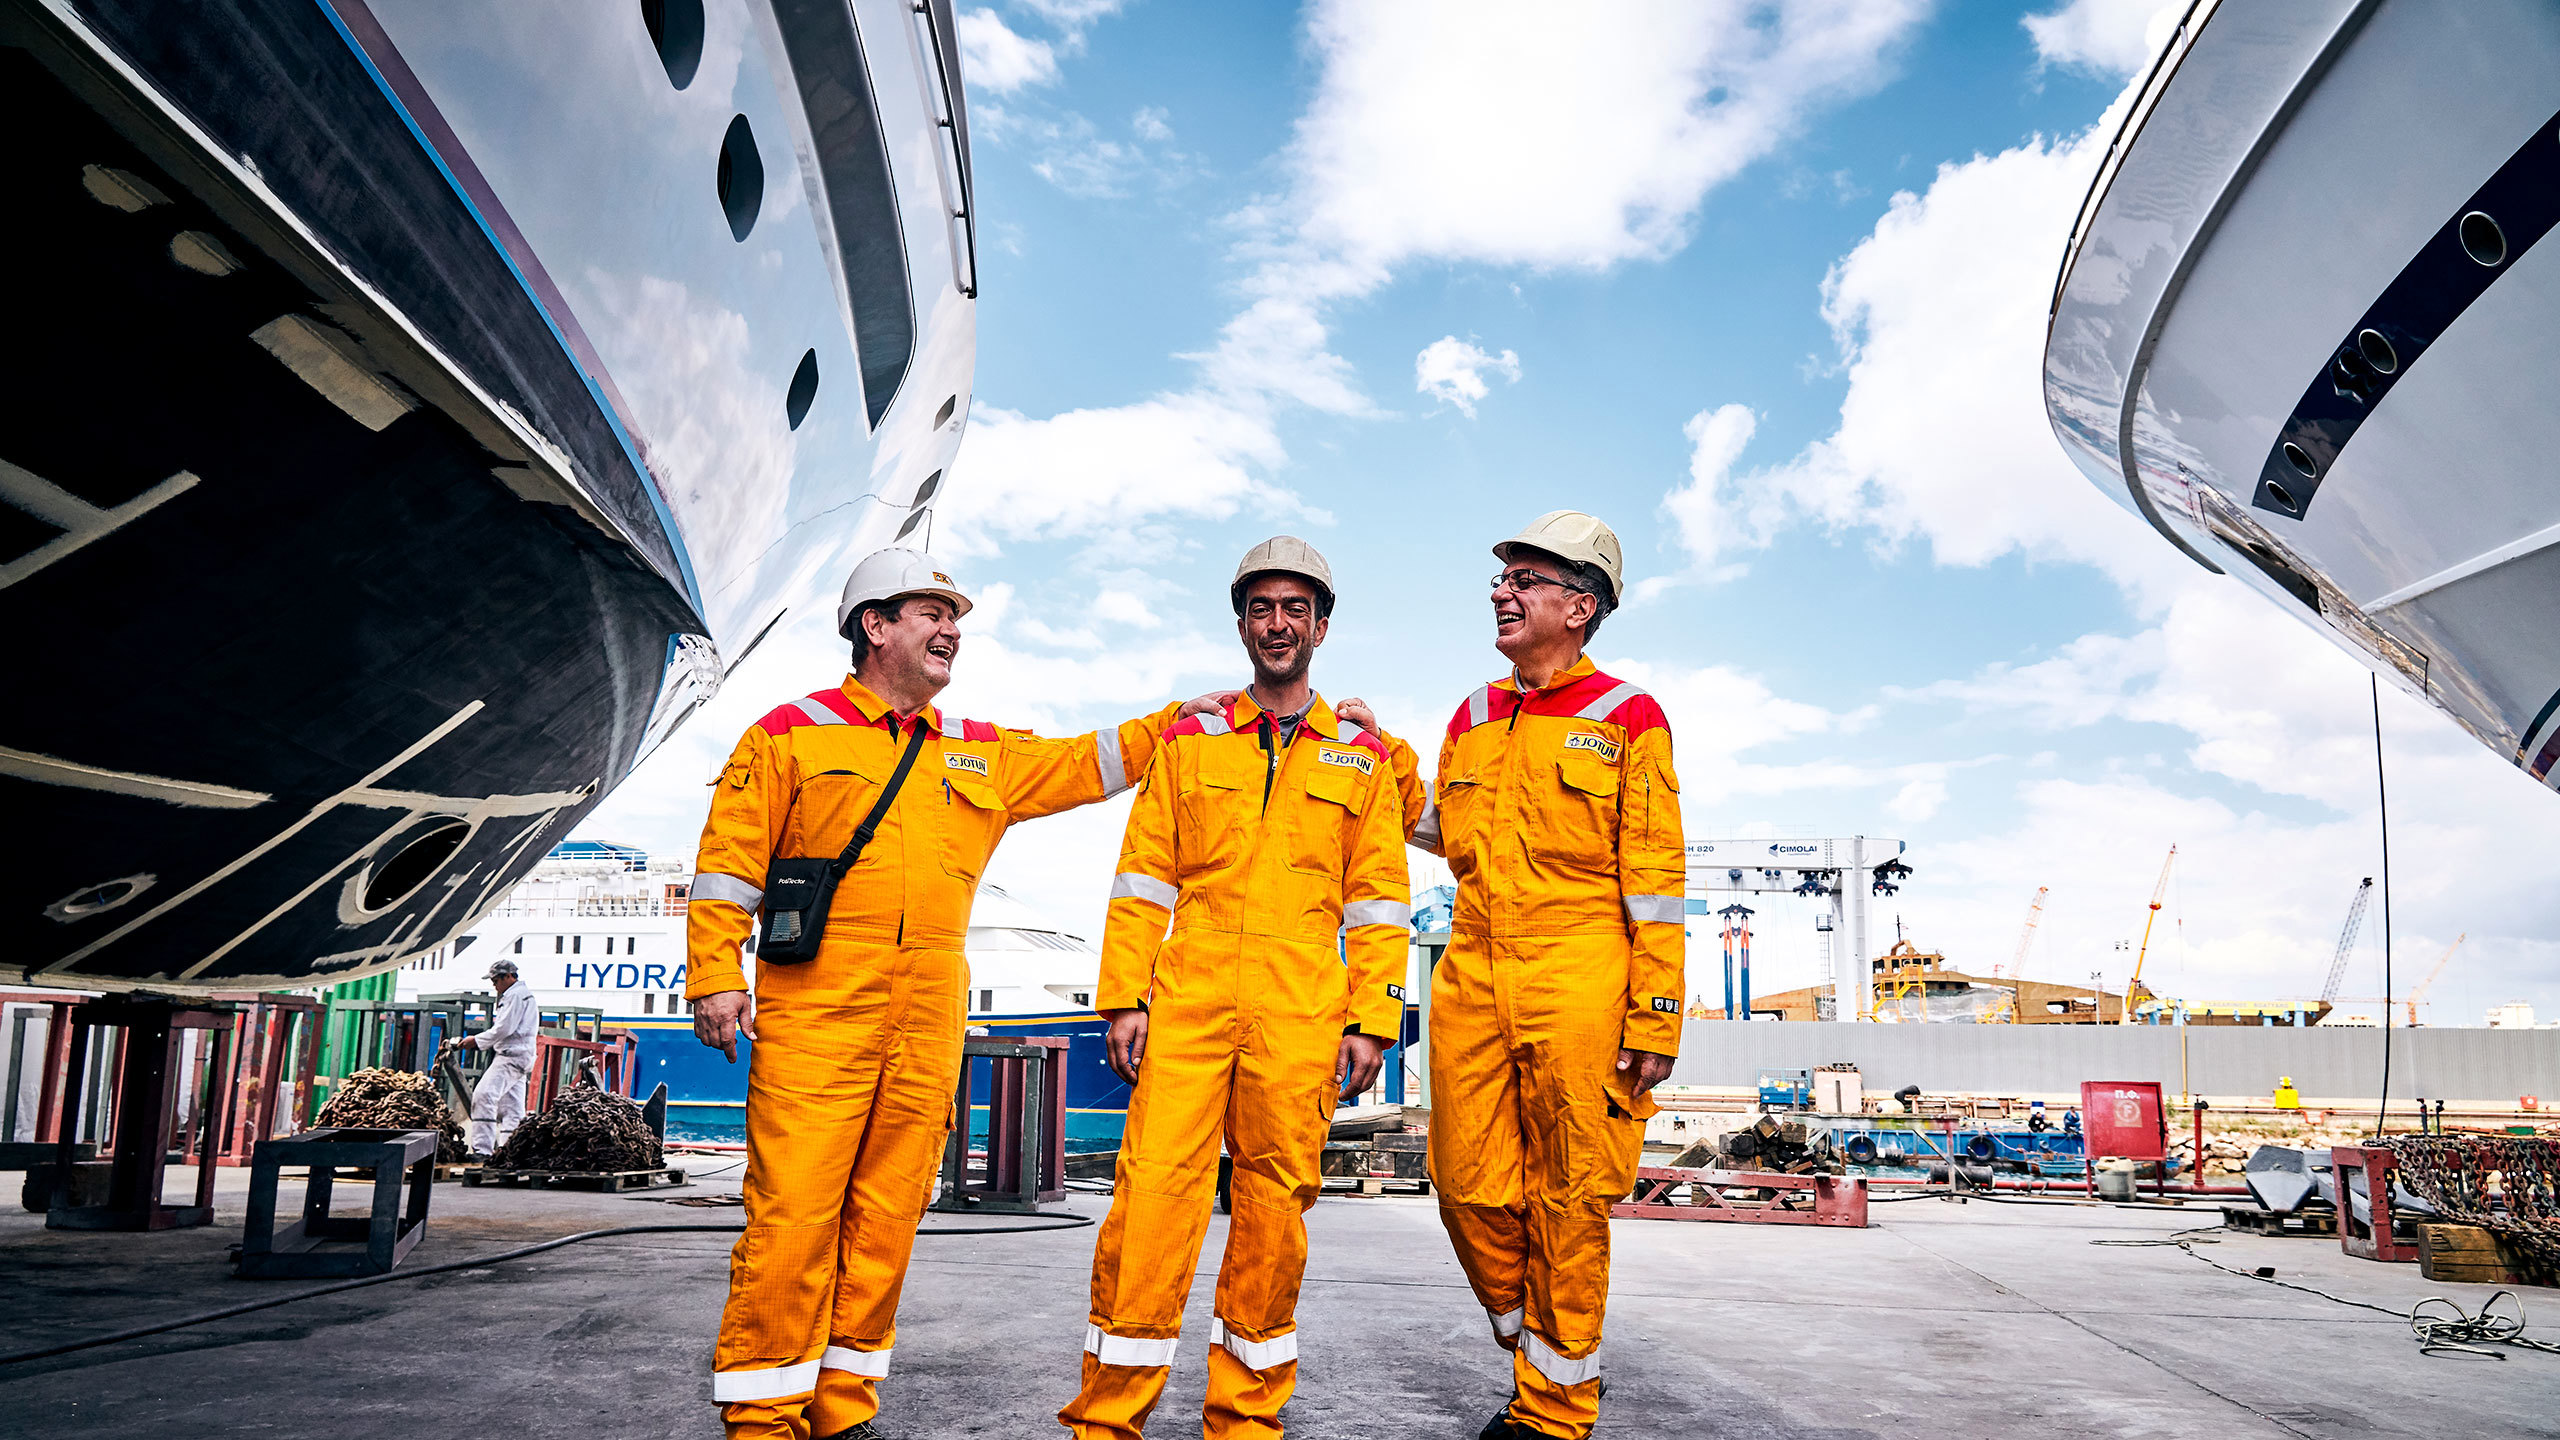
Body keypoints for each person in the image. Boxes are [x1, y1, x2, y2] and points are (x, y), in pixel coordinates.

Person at [684, 547, 1220, 1440]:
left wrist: (1173, 723)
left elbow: (1076, 764)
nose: (951, 629)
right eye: (932, 612)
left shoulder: (976, 751)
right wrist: (714, 975)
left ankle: (842, 1406)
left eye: (956, 617)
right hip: (819, 1005)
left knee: (891, 1212)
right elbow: (727, 868)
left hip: (930, 1005)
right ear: (874, 625)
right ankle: (764, 1414)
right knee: (794, 1213)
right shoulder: (786, 735)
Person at [1061, 537, 1409, 1440]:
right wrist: (1124, 997)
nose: (1279, 623)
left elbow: (1378, 904)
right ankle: (1107, 1421)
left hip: (1300, 1006)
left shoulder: (1362, 759)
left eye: (1296, 608)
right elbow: (1142, 880)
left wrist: (1372, 1018)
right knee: (1150, 1204)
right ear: (1242, 624)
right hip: (1190, 996)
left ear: (1322, 627)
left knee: (1273, 1210)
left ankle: (1246, 1420)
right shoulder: (1191, 742)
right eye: (1262, 608)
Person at [1365, 511, 1685, 1440]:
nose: (1501, 592)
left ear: (1579, 607)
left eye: (1526, 580)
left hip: (1581, 965)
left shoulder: (1629, 717)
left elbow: (1657, 879)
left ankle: (1554, 1411)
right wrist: (1384, 761)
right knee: (1465, 1186)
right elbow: (1441, 831)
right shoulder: (1470, 714)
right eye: (1503, 580)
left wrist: (1654, 1014)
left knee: (1571, 1194)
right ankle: (1537, 1344)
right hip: (1470, 968)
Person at [442, 958, 535, 1158]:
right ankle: (510, 1152)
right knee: (512, 1110)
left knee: (483, 1097)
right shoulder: (522, 995)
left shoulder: (515, 996)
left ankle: (482, 1151)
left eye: (495, 980)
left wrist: (476, 1040)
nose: (494, 985)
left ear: (508, 976)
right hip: (522, 1057)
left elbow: (504, 1028)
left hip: (511, 1056)